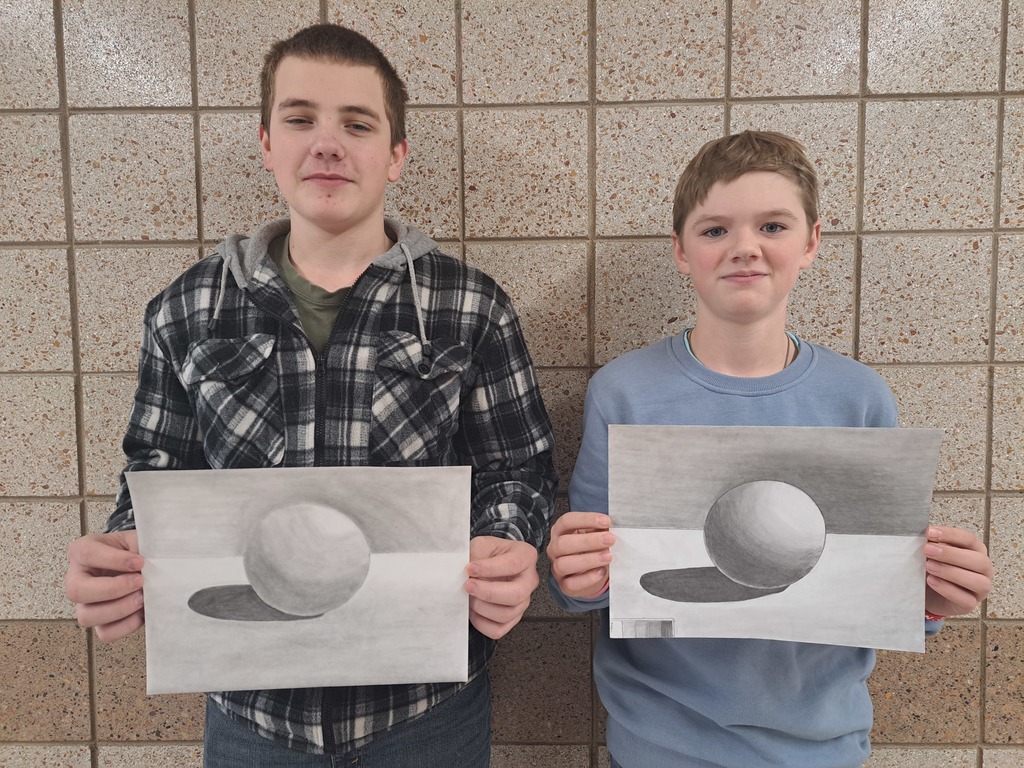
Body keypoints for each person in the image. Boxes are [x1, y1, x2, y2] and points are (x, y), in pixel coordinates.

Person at [64, 23, 557, 767]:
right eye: (300, 119)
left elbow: (519, 469)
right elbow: (156, 472)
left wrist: (509, 543)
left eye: (357, 124)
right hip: (252, 716)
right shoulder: (188, 311)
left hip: (425, 709)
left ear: (396, 155)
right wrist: (126, 556)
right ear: (266, 143)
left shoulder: (471, 307)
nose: (327, 143)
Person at [546, 130, 993, 768]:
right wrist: (574, 571)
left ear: (812, 242)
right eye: (714, 230)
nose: (745, 248)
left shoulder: (859, 399)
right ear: (680, 251)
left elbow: (889, 600)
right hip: (658, 746)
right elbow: (588, 590)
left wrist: (933, 598)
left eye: (773, 225)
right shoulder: (623, 393)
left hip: (822, 748)